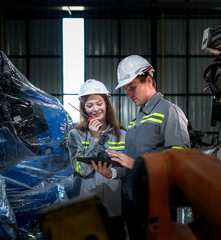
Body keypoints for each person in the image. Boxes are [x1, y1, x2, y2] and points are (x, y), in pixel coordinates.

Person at [106, 55, 190, 239]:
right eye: (127, 89)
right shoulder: (136, 121)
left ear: (149, 80)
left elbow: (179, 160)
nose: (128, 94)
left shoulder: (169, 111)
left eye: (132, 87)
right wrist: (112, 172)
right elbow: (130, 163)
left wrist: (135, 164)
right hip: (132, 200)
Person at [67, 79, 127, 240]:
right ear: (83, 108)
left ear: (106, 103)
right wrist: (95, 139)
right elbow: (82, 170)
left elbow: (126, 169)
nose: (95, 109)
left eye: (99, 103)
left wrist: (113, 173)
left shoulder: (122, 134)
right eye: (89, 105)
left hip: (114, 208)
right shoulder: (75, 135)